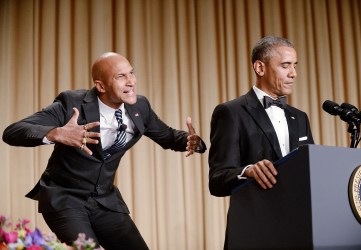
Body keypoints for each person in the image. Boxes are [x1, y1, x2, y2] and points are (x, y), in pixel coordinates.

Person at [2, 52, 206, 249]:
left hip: (105, 201)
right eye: (121, 76)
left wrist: (190, 141)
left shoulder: (139, 107)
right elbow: (13, 132)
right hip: (65, 199)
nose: (131, 81)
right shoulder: (72, 103)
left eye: (131, 73)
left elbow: (168, 136)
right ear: (100, 85)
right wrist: (57, 133)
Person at [208, 36, 314, 249]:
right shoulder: (231, 112)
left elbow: (310, 171)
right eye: (285, 66)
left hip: (299, 228)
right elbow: (217, 180)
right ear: (260, 68)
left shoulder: (299, 117)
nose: (294, 73)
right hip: (255, 229)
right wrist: (248, 171)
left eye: (294, 65)